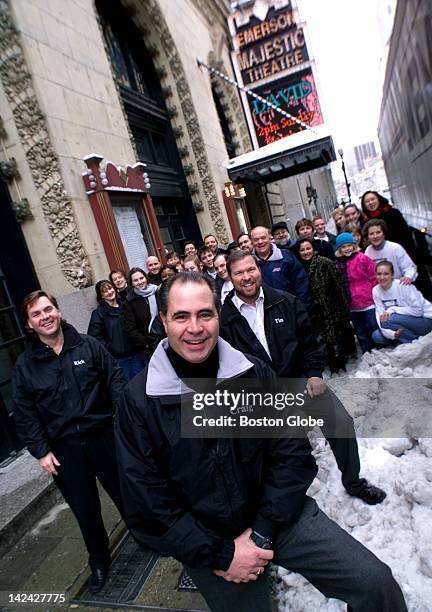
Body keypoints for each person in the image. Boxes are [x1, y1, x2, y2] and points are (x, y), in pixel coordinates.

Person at [116, 273, 405, 612]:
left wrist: (262, 532)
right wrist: (223, 554)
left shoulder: (253, 373)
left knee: (376, 584)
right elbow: (148, 504)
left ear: (217, 316)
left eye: (204, 314)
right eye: (181, 316)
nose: (194, 327)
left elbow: (292, 454)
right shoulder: (138, 401)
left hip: (278, 516)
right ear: (163, 320)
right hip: (210, 544)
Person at [220, 250, 384, 502]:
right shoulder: (224, 320)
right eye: (239, 273)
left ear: (259, 269)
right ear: (230, 277)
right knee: (275, 449)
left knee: (341, 423)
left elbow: (309, 342)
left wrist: (314, 374)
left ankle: (353, 482)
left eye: (250, 269)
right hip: (260, 395)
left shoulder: (286, 301)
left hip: (299, 381)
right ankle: (281, 500)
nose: (246, 277)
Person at [12, 291, 125, 593]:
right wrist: (40, 450)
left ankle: (147, 536)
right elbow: (24, 413)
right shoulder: (25, 366)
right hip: (64, 451)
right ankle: (99, 561)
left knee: (127, 493)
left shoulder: (89, 345)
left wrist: (121, 422)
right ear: (29, 324)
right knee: (85, 510)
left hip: (103, 438)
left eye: (48, 309)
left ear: (58, 312)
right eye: (37, 314)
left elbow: (114, 379)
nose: (45, 316)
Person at [297, 238, 355, 372]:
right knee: (324, 338)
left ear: (313, 248)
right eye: (302, 250)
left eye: (308, 248)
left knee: (336, 335)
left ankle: (341, 361)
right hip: (315, 310)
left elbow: (337, 286)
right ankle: (332, 362)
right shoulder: (299, 267)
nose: (306, 252)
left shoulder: (324, 262)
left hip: (332, 307)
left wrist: (341, 308)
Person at [88, 280, 140, 381]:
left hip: (135, 354)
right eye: (105, 291)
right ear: (101, 296)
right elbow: (95, 337)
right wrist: (111, 348)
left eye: (110, 288)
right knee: (128, 388)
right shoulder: (99, 313)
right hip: (118, 360)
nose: (109, 292)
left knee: (142, 384)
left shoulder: (125, 306)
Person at [335, 233, 378, 353]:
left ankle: (378, 348)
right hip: (352, 305)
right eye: (343, 247)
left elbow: (373, 277)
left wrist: (375, 295)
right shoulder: (338, 264)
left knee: (372, 326)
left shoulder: (362, 258)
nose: (347, 249)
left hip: (368, 300)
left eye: (349, 245)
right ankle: (366, 351)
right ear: (339, 249)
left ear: (354, 246)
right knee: (360, 331)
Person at [250, 226, 312, 310]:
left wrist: (302, 308)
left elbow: (301, 283)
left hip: (291, 309)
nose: (260, 242)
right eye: (256, 239)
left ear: (270, 238)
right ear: (252, 242)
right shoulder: (249, 263)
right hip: (265, 313)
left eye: (263, 238)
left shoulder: (286, 256)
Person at [372, 261, 432, 346]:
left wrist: (392, 309)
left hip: (426, 320)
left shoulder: (403, 285)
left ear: (392, 275)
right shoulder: (376, 290)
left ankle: (412, 342)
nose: (382, 277)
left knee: (389, 319)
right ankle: (407, 337)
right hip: (402, 322)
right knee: (376, 336)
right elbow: (380, 315)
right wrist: (391, 334)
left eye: (386, 274)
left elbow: (418, 311)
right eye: (379, 274)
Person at [360, 191, 417, 259]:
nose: (370, 203)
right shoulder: (366, 222)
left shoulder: (393, 213)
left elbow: (406, 236)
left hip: (401, 253)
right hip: (380, 258)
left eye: (373, 199)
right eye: (367, 201)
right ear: (364, 205)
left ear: (379, 199)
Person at [124, 267, 159, 370]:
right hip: (148, 347)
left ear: (146, 278)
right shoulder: (129, 301)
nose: (140, 282)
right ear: (132, 283)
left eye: (141, 278)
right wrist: (147, 343)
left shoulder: (157, 291)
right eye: (136, 280)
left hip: (166, 339)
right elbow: (131, 328)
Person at [363, 219, 417, 284]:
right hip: (378, 289)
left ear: (384, 233)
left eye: (378, 232)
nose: (375, 236)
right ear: (368, 236)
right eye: (371, 234)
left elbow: (409, 267)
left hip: (397, 287)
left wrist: (408, 277)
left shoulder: (395, 248)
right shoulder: (368, 251)